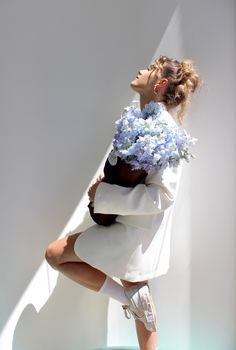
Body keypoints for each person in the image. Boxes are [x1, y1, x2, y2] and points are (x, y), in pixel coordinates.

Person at [45, 55, 201, 350]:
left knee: (58, 256)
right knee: (134, 294)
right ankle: (130, 299)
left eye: (151, 69)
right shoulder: (141, 120)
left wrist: (104, 196)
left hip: (133, 234)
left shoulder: (165, 131)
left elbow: (163, 195)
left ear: (160, 84)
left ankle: (131, 299)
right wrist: (110, 180)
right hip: (123, 226)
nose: (142, 69)